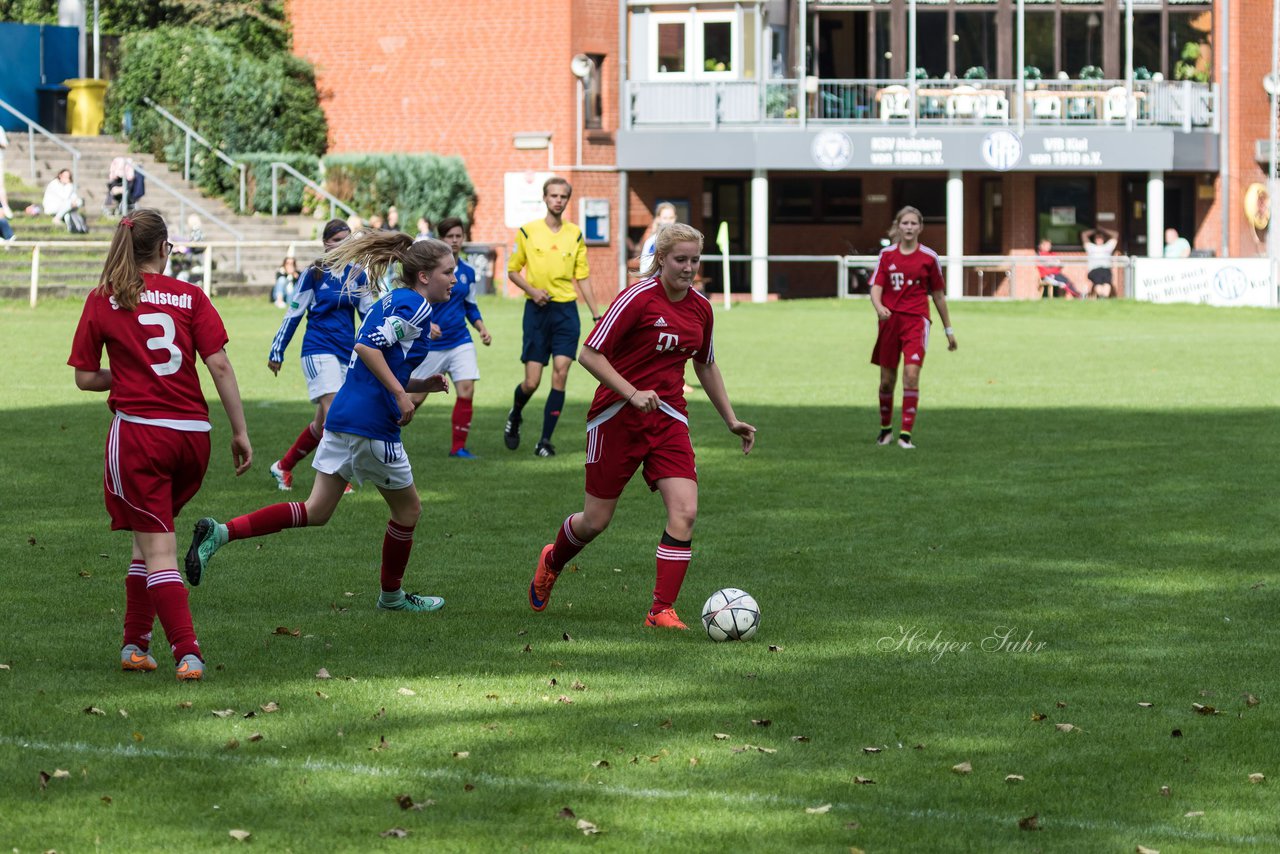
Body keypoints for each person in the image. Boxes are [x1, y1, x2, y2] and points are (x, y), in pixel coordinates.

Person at [185, 232, 455, 614]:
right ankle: (392, 597)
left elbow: (375, 363)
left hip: (344, 416)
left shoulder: (393, 300)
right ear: (424, 276)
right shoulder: (417, 307)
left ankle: (221, 532)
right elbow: (366, 348)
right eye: (449, 272)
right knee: (408, 511)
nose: (454, 280)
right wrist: (399, 394)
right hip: (372, 425)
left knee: (316, 511)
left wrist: (418, 384)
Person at [527, 223, 755, 628]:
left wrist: (731, 419)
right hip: (616, 416)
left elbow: (705, 363)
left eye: (694, 260)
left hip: (668, 419)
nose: (688, 268)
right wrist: (632, 393)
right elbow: (590, 354)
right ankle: (552, 559)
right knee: (595, 520)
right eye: (680, 259)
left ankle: (660, 610)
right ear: (661, 259)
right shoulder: (636, 298)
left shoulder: (701, 308)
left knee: (685, 511)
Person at [68, 208, 253, 681]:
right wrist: (240, 431)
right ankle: (134, 644)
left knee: (160, 551)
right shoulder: (191, 295)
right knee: (146, 541)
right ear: (165, 249)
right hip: (193, 439)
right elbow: (221, 367)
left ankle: (187, 652)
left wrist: (128, 373)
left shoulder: (103, 298)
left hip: (142, 437)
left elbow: (86, 378)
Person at [265, 219, 374, 492]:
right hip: (317, 350)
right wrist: (277, 350)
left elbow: (370, 317)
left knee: (320, 423)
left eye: (348, 240)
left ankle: (283, 466)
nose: (344, 245)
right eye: (338, 240)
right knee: (338, 413)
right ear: (326, 243)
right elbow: (293, 313)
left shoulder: (358, 274)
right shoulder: (313, 273)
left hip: (345, 354)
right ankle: (339, 476)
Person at [504, 176, 603, 457]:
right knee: (532, 382)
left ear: (567, 200)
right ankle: (516, 413)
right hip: (536, 312)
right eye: (553, 196)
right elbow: (513, 270)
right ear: (545, 198)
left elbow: (582, 276)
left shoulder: (575, 234)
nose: (558, 200)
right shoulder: (527, 232)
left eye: (563, 196)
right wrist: (533, 291)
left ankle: (544, 441)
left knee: (561, 373)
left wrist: (596, 315)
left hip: (566, 312)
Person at [870, 206, 957, 450]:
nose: (909, 227)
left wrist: (948, 330)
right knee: (887, 380)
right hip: (889, 322)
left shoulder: (929, 257)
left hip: (917, 321)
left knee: (911, 375)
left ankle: (905, 435)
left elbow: (939, 296)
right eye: (905, 223)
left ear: (920, 227)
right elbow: (875, 288)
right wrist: (879, 307)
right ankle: (885, 430)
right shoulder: (886, 255)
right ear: (898, 226)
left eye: (913, 223)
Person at [409, 216, 492, 458]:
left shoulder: (467, 271)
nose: (455, 241)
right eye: (450, 236)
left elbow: (470, 305)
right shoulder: (427, 271)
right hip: (431, 345)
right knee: (414, 398)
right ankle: (383, 438)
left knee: (466, 389)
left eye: (459, 236)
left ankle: (458, 448)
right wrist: (427, 324)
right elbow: (412, 302)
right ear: (440, 239)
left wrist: (481, 328)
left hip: (460, 341)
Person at [636, 201, 677, 279]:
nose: (668, 221)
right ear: (658, 219)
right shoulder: (652, 242)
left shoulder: (680, 240)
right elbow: (646, 269)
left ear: (675, 218)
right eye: (665, 218)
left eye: (671, 218)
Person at [1081, 225, 1118, 298]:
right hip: (1094, 270)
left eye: (1100, 238)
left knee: (1107, 284)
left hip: (1106, 269)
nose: (1099, 239)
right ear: (1094, 239)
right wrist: (1095, 230)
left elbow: (1115, 234)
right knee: (1098, 284)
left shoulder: (1107, 247)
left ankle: (1105, 298)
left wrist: (1103, 230)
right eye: (1097, 238)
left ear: (1103, 239)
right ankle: (1101, 297)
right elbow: (1084, 234)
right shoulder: (1090, 247)